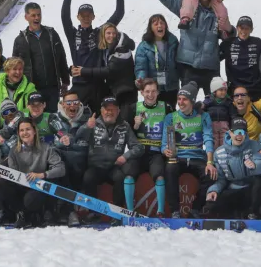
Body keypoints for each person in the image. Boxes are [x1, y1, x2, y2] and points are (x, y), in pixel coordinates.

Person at [157, 0, 234, 97]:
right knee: (186, 102)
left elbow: (229, 37)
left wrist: (230, 30)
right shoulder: (185, 6)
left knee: (215, 104)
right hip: (188, 67)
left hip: (211, 68)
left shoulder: (218, 11)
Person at [80, 97, 144, 224]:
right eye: (106, 109)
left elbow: (138, 147)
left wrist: (125, 156)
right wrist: (86, 127)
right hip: (96, 166)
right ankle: (93, 212)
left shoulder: (125, 125)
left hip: (113, 166)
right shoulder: (92, 123)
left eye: (113, 109)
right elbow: (77, 137)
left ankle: (117, 214)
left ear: (118, 111)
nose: (109, 112)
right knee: (88, 177)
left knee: (120, 177)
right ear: (101, 110)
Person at [0, 118, 66, 228]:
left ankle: (40, 213)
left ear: (34, 131)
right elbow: (13, 172)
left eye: (28, 129)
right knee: (1, 182)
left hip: (37, 187)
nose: (25, 133)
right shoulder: (14, 150)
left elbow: (61, 168)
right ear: (18, 133)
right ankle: (22, 214)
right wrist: (2, 174)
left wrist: (42, 175)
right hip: (21, 186)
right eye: (22, 130)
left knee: (31, 199)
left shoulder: (46, 148)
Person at [163, 83, 216, 218]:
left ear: (192, 101)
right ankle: (175, 211)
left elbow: (208, 139)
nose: (180, 102)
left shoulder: (203, 116)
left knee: (210, 175)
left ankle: (195, 209)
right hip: (178, 157)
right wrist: (165, 150)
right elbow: (164, 143)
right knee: (169, 170)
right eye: (179, 99)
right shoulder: (171, 117)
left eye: (184, 99)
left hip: (197, 157)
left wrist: (210, 162)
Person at [205, 117, 261, 219]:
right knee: (212, 205)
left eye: (242, 132)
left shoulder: (254, 145)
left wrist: (255, 165)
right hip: (233, 189)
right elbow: (221, 179)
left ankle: (253, 213)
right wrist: (213, 190)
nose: (239, 135)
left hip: (250, 190)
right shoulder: (219, 153)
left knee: (260, 179)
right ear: (230, 133)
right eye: (236, 132)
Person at [13, 2, 71, 112]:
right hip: (32, 89)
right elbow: (14, 66)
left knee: (52, 117)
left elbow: (61, 57)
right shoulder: (20, 40)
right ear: (26, 17)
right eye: (33, 15)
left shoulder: (51, 34)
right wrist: (16, 86)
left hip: (52, 88)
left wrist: (65, 81)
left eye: (39, 15)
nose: (37, 18)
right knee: (36, 118)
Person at [126, 79, 172, 215]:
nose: (150, 95)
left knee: (159, 177)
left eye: (153, 91)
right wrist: (135, 126)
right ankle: (129, 211)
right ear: (141, 92)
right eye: (147, 91)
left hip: (157, 152)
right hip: (139, 152)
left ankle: (160, 211)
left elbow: (172, 130)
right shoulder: (134, 108)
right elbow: (127, 134)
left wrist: (169, 149)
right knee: (129, 176)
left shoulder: (166, 107)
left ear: (158, 92)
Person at [73, 22, 137, 120]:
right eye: (108, 33)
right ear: (103, 34)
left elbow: (109, 70)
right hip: (115, 90)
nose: (111, 36)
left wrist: (84, 71)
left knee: (125, 120)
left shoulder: (122, 48)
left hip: (126, 91)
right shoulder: (107, 48)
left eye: (114, 33)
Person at [61, 0, 125, 71]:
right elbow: (65, 16)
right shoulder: (73, 34)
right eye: (83, 15)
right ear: (78, 17)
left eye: (89, 15)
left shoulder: (99, 32)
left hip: (97, 78)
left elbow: (119, 13)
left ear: (93, 17)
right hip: (78, 78)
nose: (86, 18)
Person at [52, 89, 92, 226]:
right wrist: (68, 141)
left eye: (75, 102)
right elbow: (59, 140)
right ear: (62, 104)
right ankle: (68, 211)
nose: (72, 105)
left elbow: (85, 145)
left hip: (81, 161)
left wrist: (71, 141)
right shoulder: (54, 118)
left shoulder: (88, 118)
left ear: (79, 104)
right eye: (68, 103)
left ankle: (68, 211)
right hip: (63, 162)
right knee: (59, 164)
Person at [135, 14, 181, 106]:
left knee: (171, 111)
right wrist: (141, 79)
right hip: (154, 89)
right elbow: (141, 68)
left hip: (172, 86)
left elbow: (179, 62)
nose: (159, 25)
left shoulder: (173, 42)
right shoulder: (144, 46)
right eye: (156, 24)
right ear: (151, 28)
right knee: (156, 112)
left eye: (162, 23)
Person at [219, 16, 261, 99]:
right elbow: (216, 58)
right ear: (237, 28)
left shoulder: (257, 42)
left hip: (253, 88)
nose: (244, 31)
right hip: (234, 88)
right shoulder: (228, 42)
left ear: (251, 30)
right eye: (241, 28)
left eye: (247, 28)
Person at [202, 77, 237, 148]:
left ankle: (225, 152)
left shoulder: (228, 102)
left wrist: (234, 123)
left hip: (225, 125)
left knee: (225, 139)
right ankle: (213, 153)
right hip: (212, 125)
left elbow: (233, 114)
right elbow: (202, 111)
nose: (223, 92)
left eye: (225, 90)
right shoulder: (208, 101)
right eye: (221, 90)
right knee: (213, 140)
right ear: (214, 91)